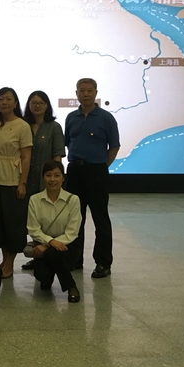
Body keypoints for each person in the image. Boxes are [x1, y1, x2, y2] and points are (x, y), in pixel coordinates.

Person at [64, 78, 120, 279]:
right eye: (82, 90)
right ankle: (74, 259)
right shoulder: (71, 117)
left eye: (89, 90)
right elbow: (68, 142)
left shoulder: (106, 118)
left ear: (96, 93)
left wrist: (102, 166)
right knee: (75, 219)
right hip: (74, 172)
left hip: (97, 172)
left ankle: (103, 262)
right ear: (76, 93)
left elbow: (114, 146)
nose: (85, 94)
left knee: (100, 219)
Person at [0, 87, 32, 279]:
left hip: (12, 180)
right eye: (1, 99)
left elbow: (26, 157)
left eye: (8, 99)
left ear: (15, 102)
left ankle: (10, 263)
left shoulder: (22, 126)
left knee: (12, 223)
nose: (4, 102)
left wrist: (22, 183)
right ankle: (4, 260)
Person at [19, 90, 66, 271]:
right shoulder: (23, 125)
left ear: (47, 105)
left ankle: (49, 254)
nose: (37, 106)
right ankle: (36, 254)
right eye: (33, 103)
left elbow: (57, 156)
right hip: (26, 175)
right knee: (31, 216)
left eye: (41, 103)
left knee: (46, 216)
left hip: (46, 176)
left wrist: (54, 178)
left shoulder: (54, 127)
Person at [27, 160, 82, 303]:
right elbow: (33, 229)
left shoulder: (73, 200)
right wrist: (50, 242)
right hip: (42, 245)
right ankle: (50, 278)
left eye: (57, 175)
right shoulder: (34, 200)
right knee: (42, 275)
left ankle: (71, 286)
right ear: (43, 177)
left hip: (68, 246)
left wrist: (48, 245)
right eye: (48, 175)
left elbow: (72, 232)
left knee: (52, 253)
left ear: (63, 178)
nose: (52, 179)